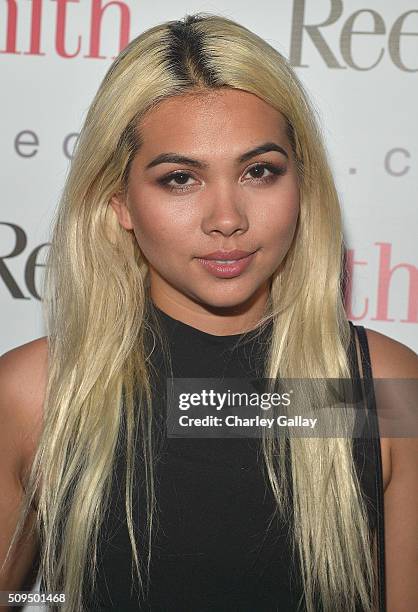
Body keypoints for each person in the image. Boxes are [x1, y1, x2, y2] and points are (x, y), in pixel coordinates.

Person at [0, 12, 417, 612]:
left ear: (303, 183)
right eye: (180, 179)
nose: (227, 218)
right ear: (118, 201)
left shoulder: (381, 391)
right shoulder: (40, 395)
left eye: (259, 171)